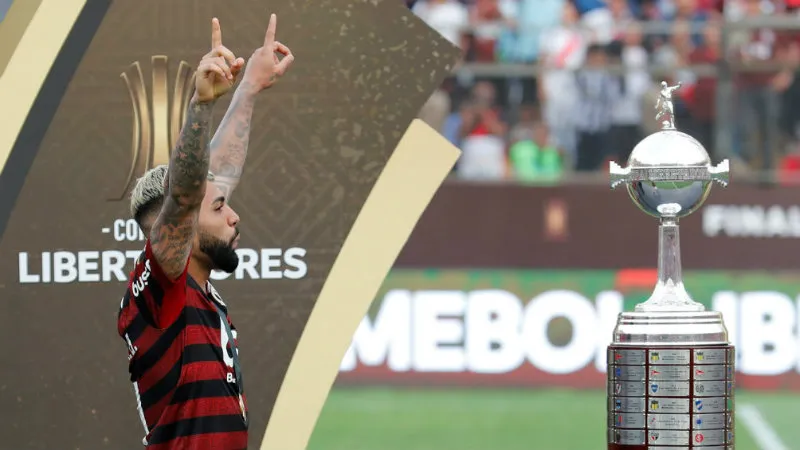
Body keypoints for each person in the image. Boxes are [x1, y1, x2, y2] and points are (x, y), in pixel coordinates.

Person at [116, 14, 294, 449]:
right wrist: (200, 105)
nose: (234, 216)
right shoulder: (162, 288)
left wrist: (249, 86)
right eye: (220, 206)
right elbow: (187, 195)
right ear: (183, 222)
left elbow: (217, 173)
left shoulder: (196, 288)